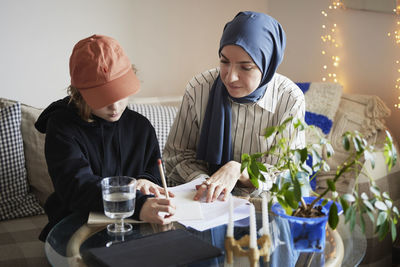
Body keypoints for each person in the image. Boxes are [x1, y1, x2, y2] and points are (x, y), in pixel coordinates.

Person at [35, 34, 175, 241]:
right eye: (103, 98)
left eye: (120, 94)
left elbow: (154, 169)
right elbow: (77, 186)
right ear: (78, 93)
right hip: (76, 224)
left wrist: (146, 181)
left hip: (136, 228)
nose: (115, 106)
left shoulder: (140, 126)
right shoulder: (62, 127)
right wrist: (137, 202)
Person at [163, 11, 305, 203]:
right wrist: (208, 184)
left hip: (263, 207)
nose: (230, 77)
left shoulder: (289, 99)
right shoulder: (199, 89)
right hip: (206, 202)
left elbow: (287, 172)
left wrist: (239, 171)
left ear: (268, 64)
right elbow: (177, 156)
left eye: (245, 67)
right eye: (224, 62)